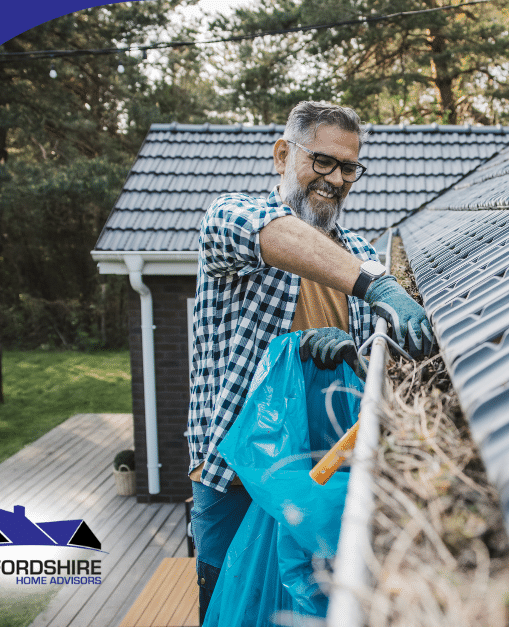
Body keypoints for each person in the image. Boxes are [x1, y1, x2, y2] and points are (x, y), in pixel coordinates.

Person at [186, 101, 435, 621]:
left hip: (318, 488)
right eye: (321, 161)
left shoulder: (360, 255)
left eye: (348, 167)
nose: (335, 178)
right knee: (231, 611)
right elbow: (274, 232)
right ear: (282, 155)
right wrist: (377, 285)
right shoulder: (231, 221)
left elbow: (373, 383)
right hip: (234, 482)